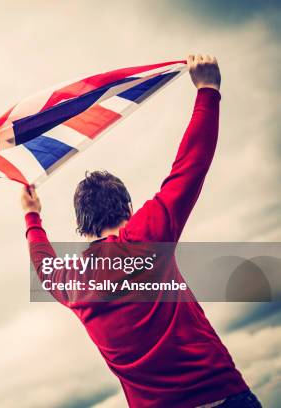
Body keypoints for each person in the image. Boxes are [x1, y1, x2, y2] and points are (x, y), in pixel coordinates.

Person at [21, 55, 262, 407]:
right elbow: (189, 168)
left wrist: (32, 217)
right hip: (221, 395)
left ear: (81, 224)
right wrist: (207, 90)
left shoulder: (71, 282)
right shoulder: (147, 235)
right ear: (128, 209)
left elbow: (42, 262)